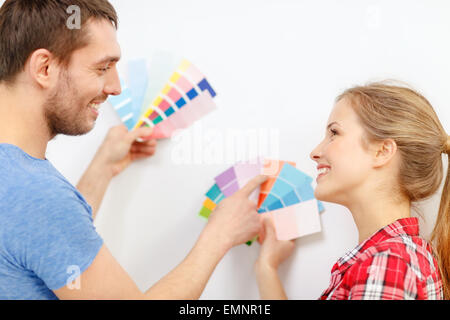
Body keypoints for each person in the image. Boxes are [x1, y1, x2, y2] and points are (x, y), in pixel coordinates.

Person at [0, 0, 266, 299]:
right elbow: (42, 213)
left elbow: (38, 234)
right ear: (44, 68)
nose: (115, 87)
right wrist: (219, 236)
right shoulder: (37, 195)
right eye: (102, 67)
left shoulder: (19, 186)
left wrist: (103, 168)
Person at [255, 82, 449, 300]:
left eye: (334, 133)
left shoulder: (386, 265)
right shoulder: (395, 259)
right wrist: (267, 267)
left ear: (382, 151)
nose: (315, 152)